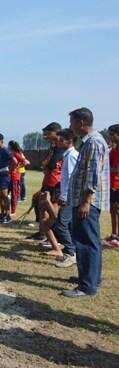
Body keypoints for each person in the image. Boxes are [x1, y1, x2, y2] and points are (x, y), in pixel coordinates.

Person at [62, 107, 109, 298]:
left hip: (87, 202)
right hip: (83, 200)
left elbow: (93, 175)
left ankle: (87, 286)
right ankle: (90, 278)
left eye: (72, 122)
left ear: (82, 122)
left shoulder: (94, 143)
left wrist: (86, 201)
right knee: (89, 241)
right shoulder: (88, 142)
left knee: (86, 243)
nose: (70, 126)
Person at [52, 128, 79, 267]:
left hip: (69, 196)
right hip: (66, 195)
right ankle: (71, 251)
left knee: (61, 224)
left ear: (70, 141)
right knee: (65, 224)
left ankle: (71, 252)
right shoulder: (67, 155)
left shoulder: (71, 155)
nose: (59, 141)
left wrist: (64, 196)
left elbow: (71, 178)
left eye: (62, 139)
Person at [0, 134, 12, 224]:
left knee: (4, 195)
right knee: (0, 196)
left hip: (4, 175)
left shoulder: (5, 150)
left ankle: (8, 215)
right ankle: (2, 213)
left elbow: (13, 160)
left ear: (2, 141)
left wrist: (9, 170)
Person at [106, 124, 119, 247]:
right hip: (113, 184)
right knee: (113, 210)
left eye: (111, 134)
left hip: (118, 185)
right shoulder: (113, 149)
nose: (109, 136)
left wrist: (110, 169)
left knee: (117, 210)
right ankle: (114, 234)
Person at [8, 141, 29, 214]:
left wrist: (17, 166)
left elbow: (26, 162)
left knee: (14, 193)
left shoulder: (15, 154)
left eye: (8, 146)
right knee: (9, 193)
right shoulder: (13, 153)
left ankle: (13, 211)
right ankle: (8, 210)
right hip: (11, 175)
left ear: (11, 147)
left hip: (15, 175)